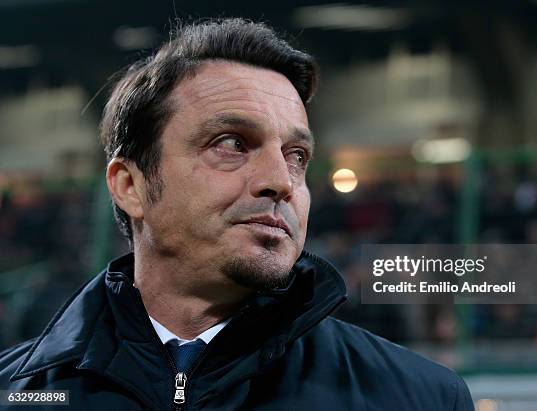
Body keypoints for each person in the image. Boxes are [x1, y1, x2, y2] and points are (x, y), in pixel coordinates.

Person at [0, 18, 474, 410]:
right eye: (232, 144)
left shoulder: (420, 398)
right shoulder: (16, 394)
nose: (281, 182)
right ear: (131, 185)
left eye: (296, 156)